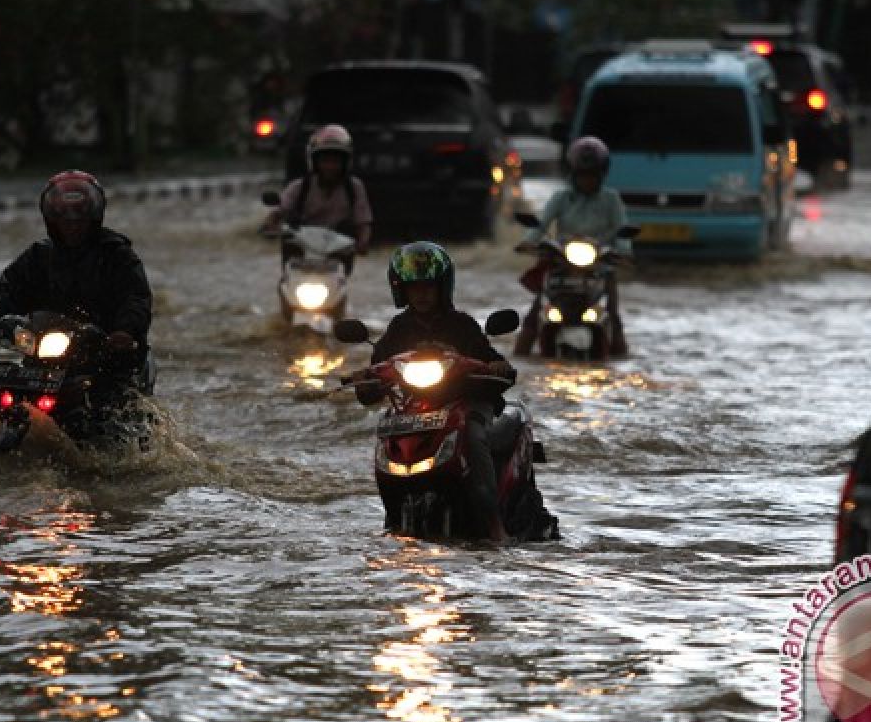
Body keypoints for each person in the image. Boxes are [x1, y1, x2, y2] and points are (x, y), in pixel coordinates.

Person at [355, 242, 515, 541]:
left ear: (443, 287)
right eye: (414, 288)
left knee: (474, 435)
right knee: (386, 435)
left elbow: (492, 359)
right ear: (401, 290)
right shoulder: (398, 329)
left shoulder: (462, 325)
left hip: (464, 405)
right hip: (414, 411)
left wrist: (497, 366)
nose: (422, 294)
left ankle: (494, 526)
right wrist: (364, 377)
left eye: (429, 287)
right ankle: (392, 518)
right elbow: (377, 371)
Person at [0, 170, 153, 386]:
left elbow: (136, 296)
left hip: (105, 349)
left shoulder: (117, 255)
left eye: (79, 220)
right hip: (46, 344)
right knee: (5, 385)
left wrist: (125, 330)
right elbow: (11, 287)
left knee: (120, 390)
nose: (72, 227)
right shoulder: (39, 256)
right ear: (52, 221)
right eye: (64, 221)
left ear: (93, 219)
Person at [515, 135, 630, 358]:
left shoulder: (611, 200)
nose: (587, 180)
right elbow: (541, 223)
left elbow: (622, 229)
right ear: (573, 173)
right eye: (583, 174)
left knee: (613, 315)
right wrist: (529, 241)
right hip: (561, 262)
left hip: (599, 265)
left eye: (592, 175)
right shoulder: (561, 197)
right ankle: (518, 362)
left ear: (602, 174)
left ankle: (620, 361)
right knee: (535, 313)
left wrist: (624, 252)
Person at [264, 124, 373, 261]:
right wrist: (270, 225)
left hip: (338, 255)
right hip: (300, 254)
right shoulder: (299, 187)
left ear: (345, 163)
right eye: (325, 161)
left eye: (336, 161)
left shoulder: (354, 187)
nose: (330, 167)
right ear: (315, 162)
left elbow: (363, 222)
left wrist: (363, 242)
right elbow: (279, 210)